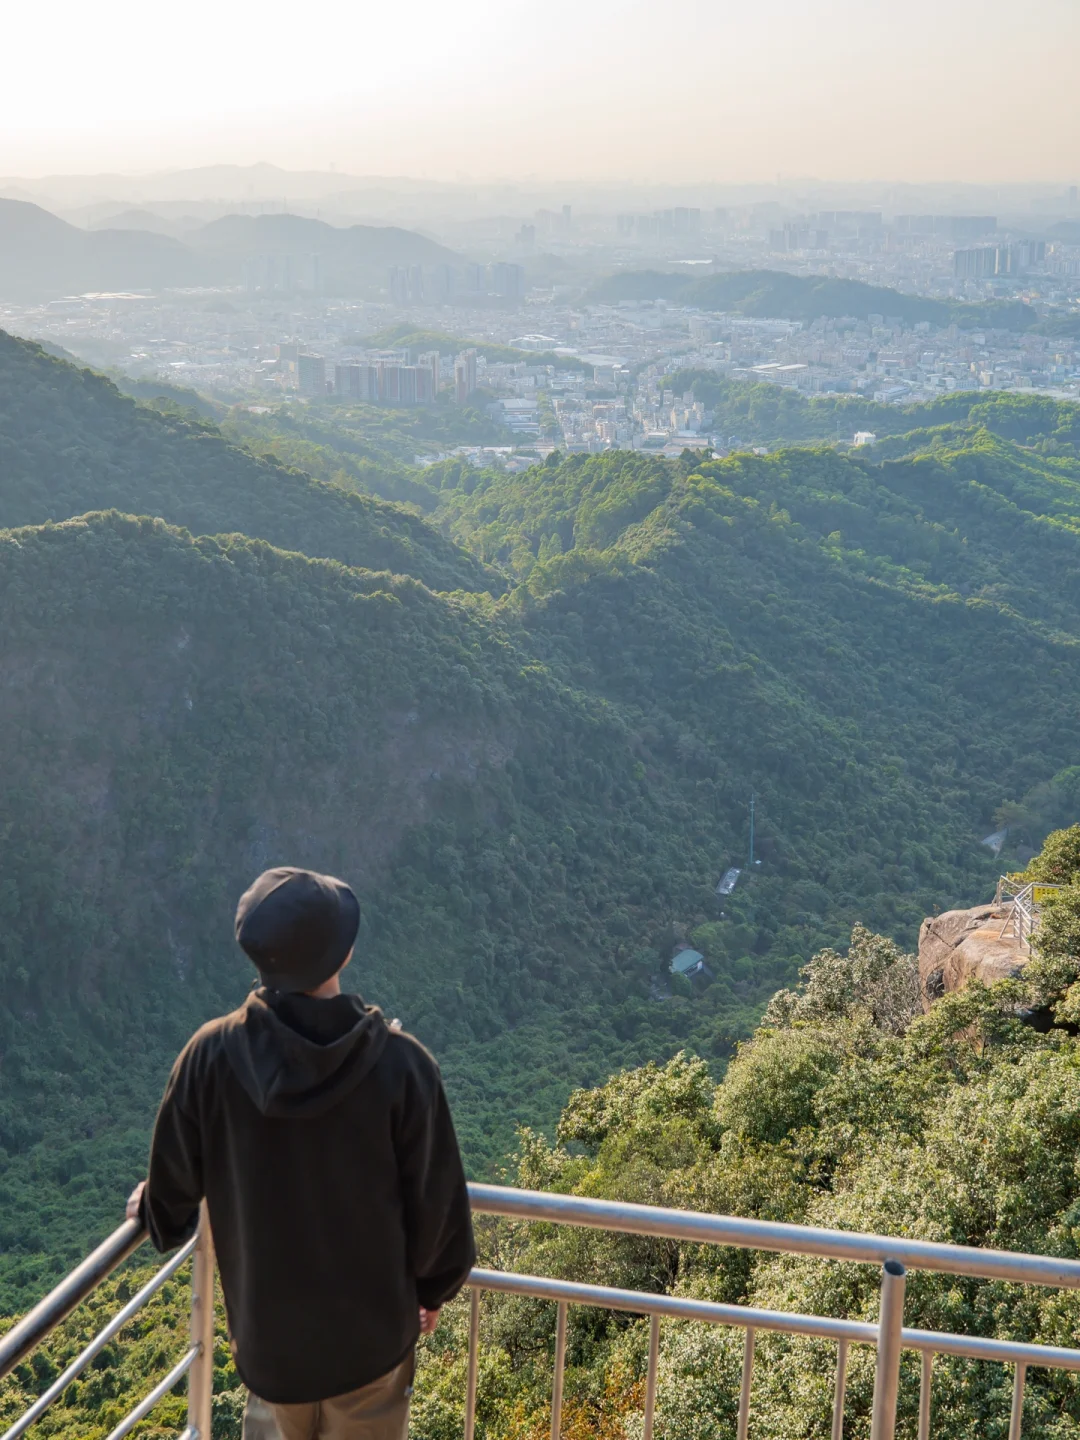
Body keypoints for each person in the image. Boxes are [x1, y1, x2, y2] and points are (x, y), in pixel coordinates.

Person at [126, 866, 476, 1440]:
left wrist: (154, 1206)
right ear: (342, 955)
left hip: (272, 1350)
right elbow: (438, 1205)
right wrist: (432, 1289)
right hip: (373, 1341)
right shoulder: (403, 1066)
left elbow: (171, 1200)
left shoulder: (208, 1058)